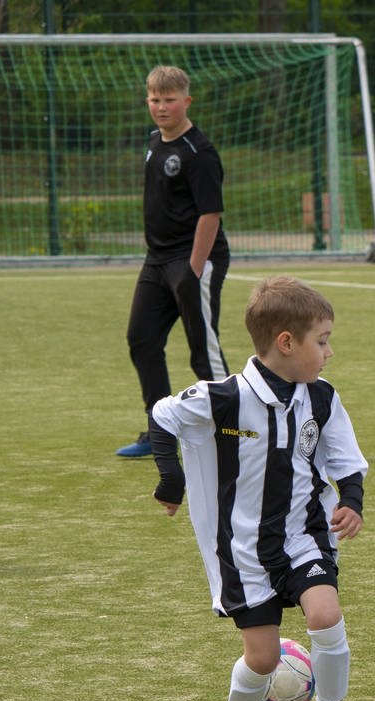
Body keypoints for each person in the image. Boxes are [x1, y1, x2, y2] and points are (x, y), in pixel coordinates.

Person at [149, 276, 369, 701]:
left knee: (325, 615)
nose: (329, 353)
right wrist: (171, 480)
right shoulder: (226, 397)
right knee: (263, 658)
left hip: (304, 536)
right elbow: (163, 417)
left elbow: (345, 457)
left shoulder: (321, 396)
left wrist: (351, 500)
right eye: (323, 340)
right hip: (244, 551)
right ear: (286, 343)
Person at [118, 65, 231, 457]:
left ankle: (233, 431)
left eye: (169, 100)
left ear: (187, 101)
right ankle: (160, 429)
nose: (161, 107)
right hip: (157, 261)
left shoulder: (200, 153)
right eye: (154, 99)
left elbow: (210, 215)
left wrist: (194, 270)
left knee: (203, 349)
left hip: (193, 261)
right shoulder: (154, 142)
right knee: (142, 340)